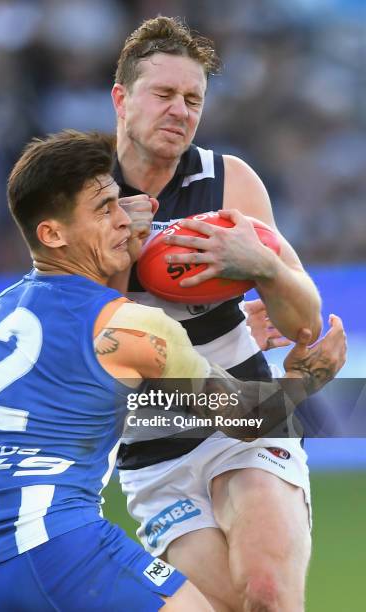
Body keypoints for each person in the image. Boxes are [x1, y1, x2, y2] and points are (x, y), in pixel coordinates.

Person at [0, 129, 345, 611]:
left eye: (119, 203)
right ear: (52, 233)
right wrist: (306, 379)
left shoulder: (4, 313)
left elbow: (80, 367)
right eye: (105, 210)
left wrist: (232, 321)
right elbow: (248, 419)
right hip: (67, 554)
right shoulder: (134, 329)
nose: (128, 221)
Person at [110, 16, 327, 611]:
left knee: (267, 595)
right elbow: (74, 333)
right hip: (152, 445)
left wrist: (262, 264)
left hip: (248, 423)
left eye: (192, 99)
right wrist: (120, 258)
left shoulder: (228, 182)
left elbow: (305, 320)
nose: (179, 111)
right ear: (121, 98)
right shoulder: (84, 195)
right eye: (163, 95)